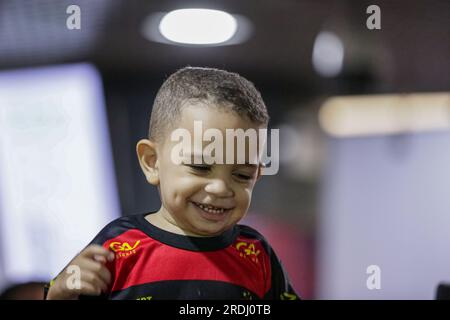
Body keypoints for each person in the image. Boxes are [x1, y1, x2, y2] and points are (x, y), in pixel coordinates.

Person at [45, 67, 299, 300]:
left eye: (242, 175)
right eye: (200, 167)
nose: (221, 188)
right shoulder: (117, 247)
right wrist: (58, 294)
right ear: (152, 162)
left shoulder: (256, 255)